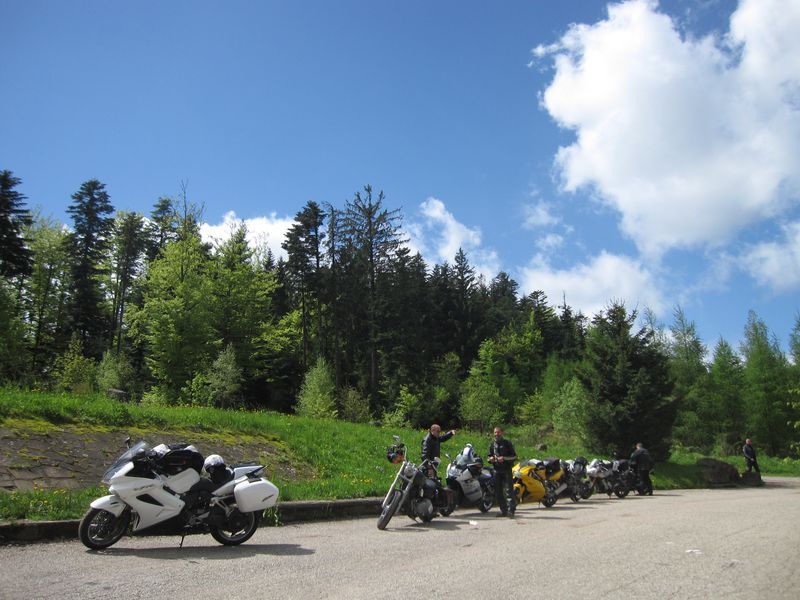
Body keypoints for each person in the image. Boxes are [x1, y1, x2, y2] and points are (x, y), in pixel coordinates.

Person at [487, 426, 517, 517]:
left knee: (509, 490)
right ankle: (503, 510)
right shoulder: (492, 444)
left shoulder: (507, 443)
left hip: (506, 469)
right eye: (495, 432)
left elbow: (514, 456)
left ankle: (511, 510)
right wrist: (490, 459)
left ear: (502, 433)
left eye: (498, 432)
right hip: (496, 470)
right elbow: (488, 457)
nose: (497, 434)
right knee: (498, 492)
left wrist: (504, 458)